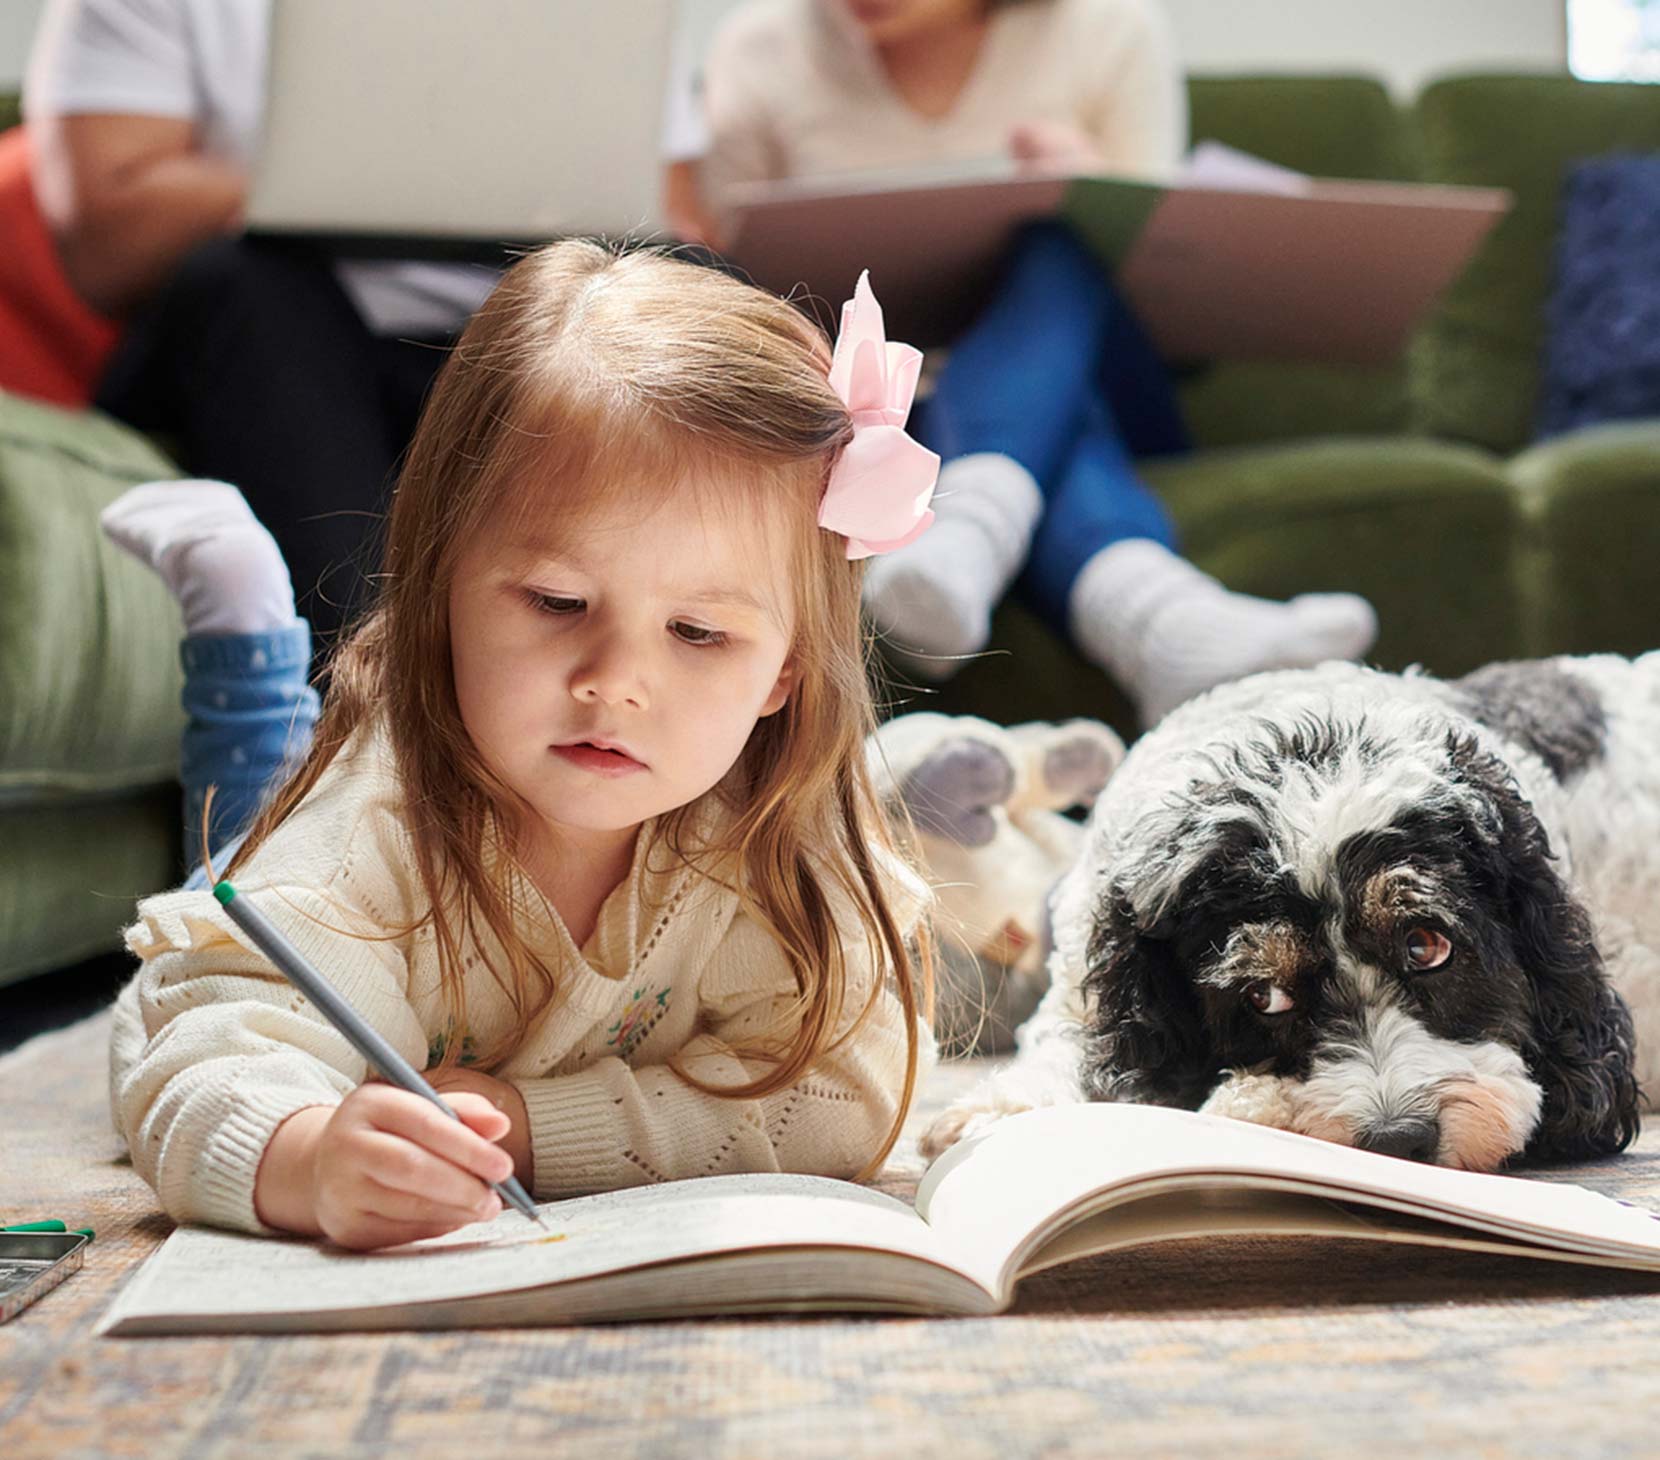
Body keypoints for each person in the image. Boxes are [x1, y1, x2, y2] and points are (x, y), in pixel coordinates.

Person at [103, 242, 938, 1251]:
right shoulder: (357, 843)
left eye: (699, 632)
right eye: (557, 601)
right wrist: (309, 1153)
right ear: (439, 578)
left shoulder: (766, 837)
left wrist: (533, 1127)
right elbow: (199, 1057)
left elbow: (849, 1091)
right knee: (250, 810)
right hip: (319, 841)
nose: (613, 680)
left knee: (275, 775)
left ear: (786, 671)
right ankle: (243, 647)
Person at [695, 0, 1379, 726]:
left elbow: (1156, 279)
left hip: (1103, 373)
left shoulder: (1110, 27)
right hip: (893, 397)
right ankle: (1167, 622)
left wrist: (1096, 189)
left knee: (1059, 244)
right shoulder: (759, 46)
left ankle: (967, 525)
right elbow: (735, 280)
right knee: (970, 400)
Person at [24, 0, 499, 646]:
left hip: (505, 333)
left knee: (672, 273)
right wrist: (355, 179)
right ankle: (357, 691)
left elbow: (656, 197)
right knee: (244, 285)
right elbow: (104, 242)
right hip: (269, 335)